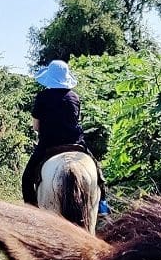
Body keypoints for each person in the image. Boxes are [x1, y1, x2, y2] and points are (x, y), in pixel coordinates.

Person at [21, 60, 108, 212]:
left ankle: (32, 212)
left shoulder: (42, 97)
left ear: (49, 78)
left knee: (27, 178)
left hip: (48, 144)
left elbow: (36, 126)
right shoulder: (74, 97)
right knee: (99, 175)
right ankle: (103, 207)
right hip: (75, 143)